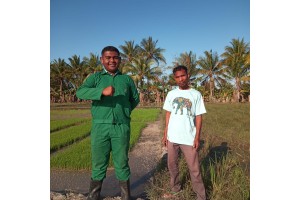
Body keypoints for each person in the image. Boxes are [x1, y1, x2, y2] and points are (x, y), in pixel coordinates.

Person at [76, 46, 140, 200]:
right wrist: (100, 92)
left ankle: (125, 196)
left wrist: (124, 113)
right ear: (102, 59)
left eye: (115, 57)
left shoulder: (126, 80)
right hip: (100, 127)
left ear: (119, 59)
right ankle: (94, 195)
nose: (112, 60)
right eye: (108, 57)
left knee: (122, 162)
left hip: (121, 127)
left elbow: (135, 99)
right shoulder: (95, 78)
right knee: (99, 162)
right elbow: (80, 92)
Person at [162, 65, 206, 200]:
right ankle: (175, 190)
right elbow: (168, 114)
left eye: (183, 75)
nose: (181, 79)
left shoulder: (195, 94)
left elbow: (199, 116)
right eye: (177, 77)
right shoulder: (171, 94)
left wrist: (197, 137)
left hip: (188, 137)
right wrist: (165, 134)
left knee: (195, 169)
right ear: (174, 78)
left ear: (188, 75)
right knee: (172, 166)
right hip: (172, 137)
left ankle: (201, 196)